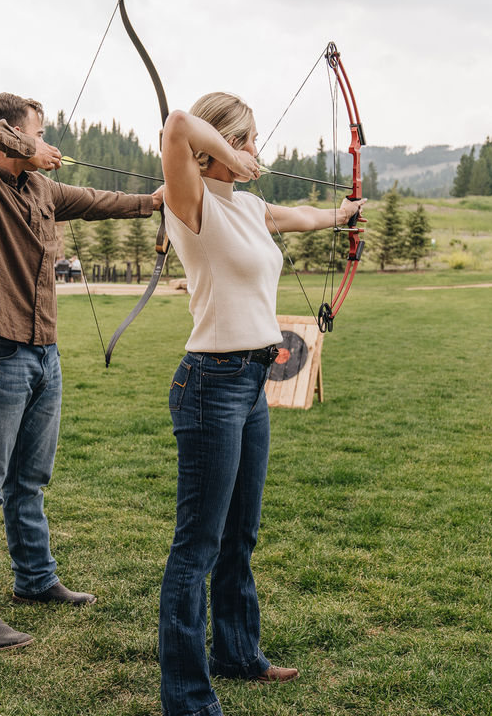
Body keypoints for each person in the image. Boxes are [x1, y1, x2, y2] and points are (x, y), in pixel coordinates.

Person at [157, 93, 365, 716]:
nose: (256, 152)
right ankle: (188, 699)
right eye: (245, 140)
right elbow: (176, 124)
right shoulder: (188, 202)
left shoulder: (247, 206)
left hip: (250, 385)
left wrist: (344, 214)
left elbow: (299, 216)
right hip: (209, 385)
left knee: (239, 535)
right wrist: (225, 152)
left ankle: (237, 654)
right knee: (197, 545)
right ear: (216, 146)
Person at [0, 93, 163, 650]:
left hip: (43, 351)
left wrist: (154, 201)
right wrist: (27, 149)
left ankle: (35, 580)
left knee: (29, 481)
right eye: (38, 132)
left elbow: (93, 199)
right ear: (10, 134)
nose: (45, 141)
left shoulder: (39, 188)